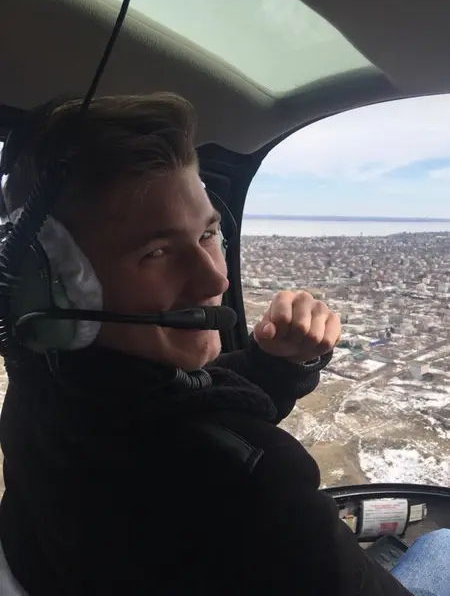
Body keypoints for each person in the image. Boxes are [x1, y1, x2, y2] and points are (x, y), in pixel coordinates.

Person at [0, 92, 446, 596]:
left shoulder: (44, 389)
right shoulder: (249, 482)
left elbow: (172, 403)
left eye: (209, 233)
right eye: (157, 251)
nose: (214, 279)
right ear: (53, 283)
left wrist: (274, 363)